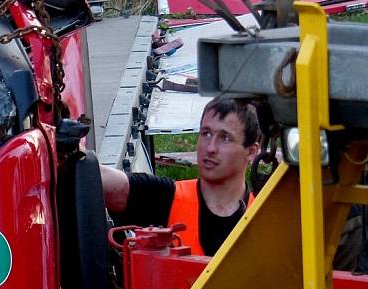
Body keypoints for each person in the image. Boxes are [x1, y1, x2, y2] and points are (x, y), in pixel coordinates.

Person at [101, 94, 260, 255]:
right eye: (206, 134)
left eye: (224, 138)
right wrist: (78, 153)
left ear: (251, 151)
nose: (211, 148)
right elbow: (106, 181)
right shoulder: (168, 198)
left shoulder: (264, 218)